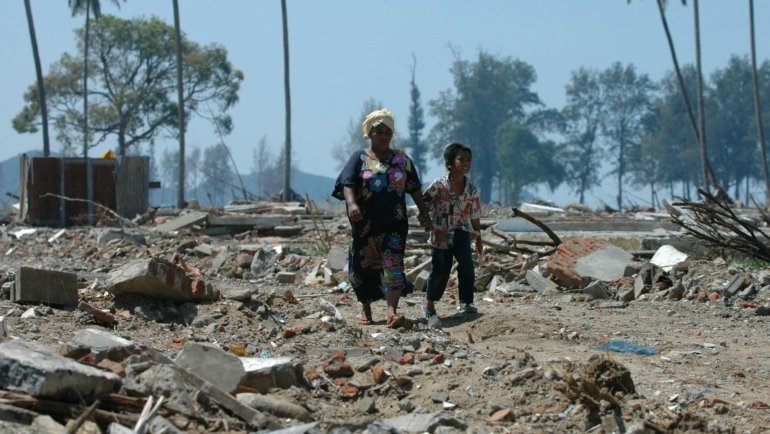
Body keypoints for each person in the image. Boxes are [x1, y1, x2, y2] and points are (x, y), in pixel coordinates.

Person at [332, 108, 432, 326]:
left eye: (388, 131)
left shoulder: (402, 160)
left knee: (393, 264)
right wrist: (351, 203)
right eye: (379, 131)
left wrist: (425, 214)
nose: (384, 136)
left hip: (395, 223)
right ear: (369, 133)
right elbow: (347, 183)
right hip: (365, 224)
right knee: (363, 266)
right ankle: (365, 309)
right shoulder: (359, 158)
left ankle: (391, 312)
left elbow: (414, 189)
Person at [422, 143, 483, 319]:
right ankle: (429, 303)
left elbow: (475, 214)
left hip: (462, 231)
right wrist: (425, 219)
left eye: (468, 160)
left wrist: (478, 236)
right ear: (449, 163)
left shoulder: (471, 189)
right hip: (441, 234)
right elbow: (424, 203)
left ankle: (466, 303)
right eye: (461, 159)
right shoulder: (438, 185)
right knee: (441, 270)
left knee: (466, 265)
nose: (465, 163)